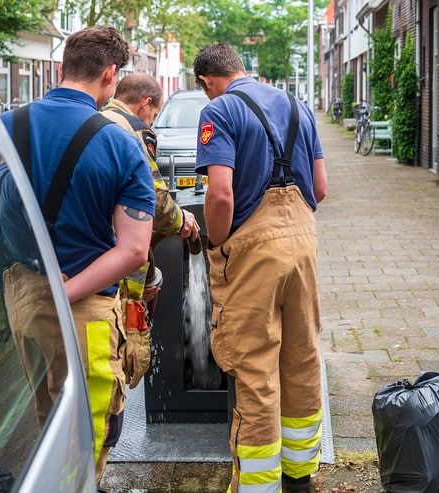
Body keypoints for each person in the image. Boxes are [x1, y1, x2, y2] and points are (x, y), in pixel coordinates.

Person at [0, 26, 155, 482]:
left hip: (21, 304)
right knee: (85, 441)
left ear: (60, 68)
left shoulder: (5, 128)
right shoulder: (121, 144)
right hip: (85, 313)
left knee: (44, 430)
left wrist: (3, 281)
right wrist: (66, 290)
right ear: (111, 75)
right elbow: (134, 250)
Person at [194, 43, 327, 493]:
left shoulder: (220, 112)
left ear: (207, 82)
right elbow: (321, 187)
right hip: (303, 242)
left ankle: (257, 486)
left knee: (255, 367)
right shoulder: (298, 106)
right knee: (301, 355)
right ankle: (299, 477)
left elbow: (221, 195)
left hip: (252, 250)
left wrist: (217, 242)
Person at [101, 73, 200, 387]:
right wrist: (181, 221)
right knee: (130, 337)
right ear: (145, 104)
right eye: (155, 114)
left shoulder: (97, 120)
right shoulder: (132, 131)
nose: (153, 120)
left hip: (96, 250)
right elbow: (154, 196)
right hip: (121, 252)